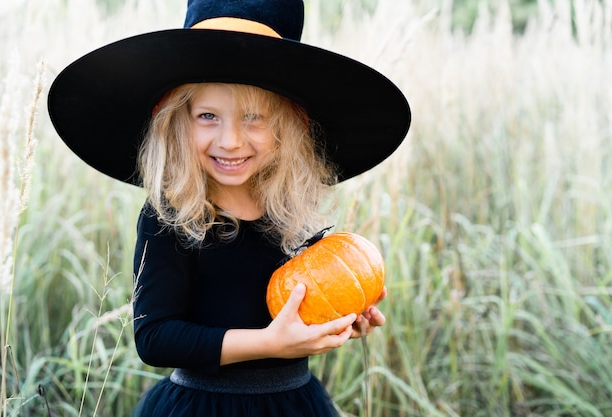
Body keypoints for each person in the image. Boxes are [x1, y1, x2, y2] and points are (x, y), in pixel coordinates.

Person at [48, 1, 411, 416]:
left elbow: (299, 311)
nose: (231, 140)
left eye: (253, 117)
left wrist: (337, 321)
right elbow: (155, 337)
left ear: (288, 127)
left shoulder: (288, 210)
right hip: (203, 405)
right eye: (208, 116)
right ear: (176, 121)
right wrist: (269, 344)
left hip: (294, 403)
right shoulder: (170, 216)